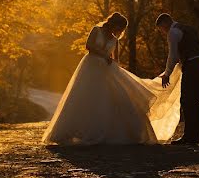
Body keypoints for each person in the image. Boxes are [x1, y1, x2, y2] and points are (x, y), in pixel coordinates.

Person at [41, 12, 181, 145]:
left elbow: (116, 59)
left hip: (107, 69)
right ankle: (72, 131)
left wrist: (113, 66)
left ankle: (113, 132)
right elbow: (89, 46)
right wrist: (104, 56)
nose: (119, 31)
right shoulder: (97, 30)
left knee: (113, 98)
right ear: (113, 23)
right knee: (84, 97)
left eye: (121, 29)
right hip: (91, 66)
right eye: (119, 27)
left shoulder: (115, 40)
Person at [156, 12, 199, 144]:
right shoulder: (188, 28)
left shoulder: (173, 32)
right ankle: (197, 135)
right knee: (197, 100)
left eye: (161, 28)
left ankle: (189, 136)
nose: (163, 32)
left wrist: (167, 74)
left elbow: (172, 55)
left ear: (165, 23)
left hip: (191, 65)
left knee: (187, 100)